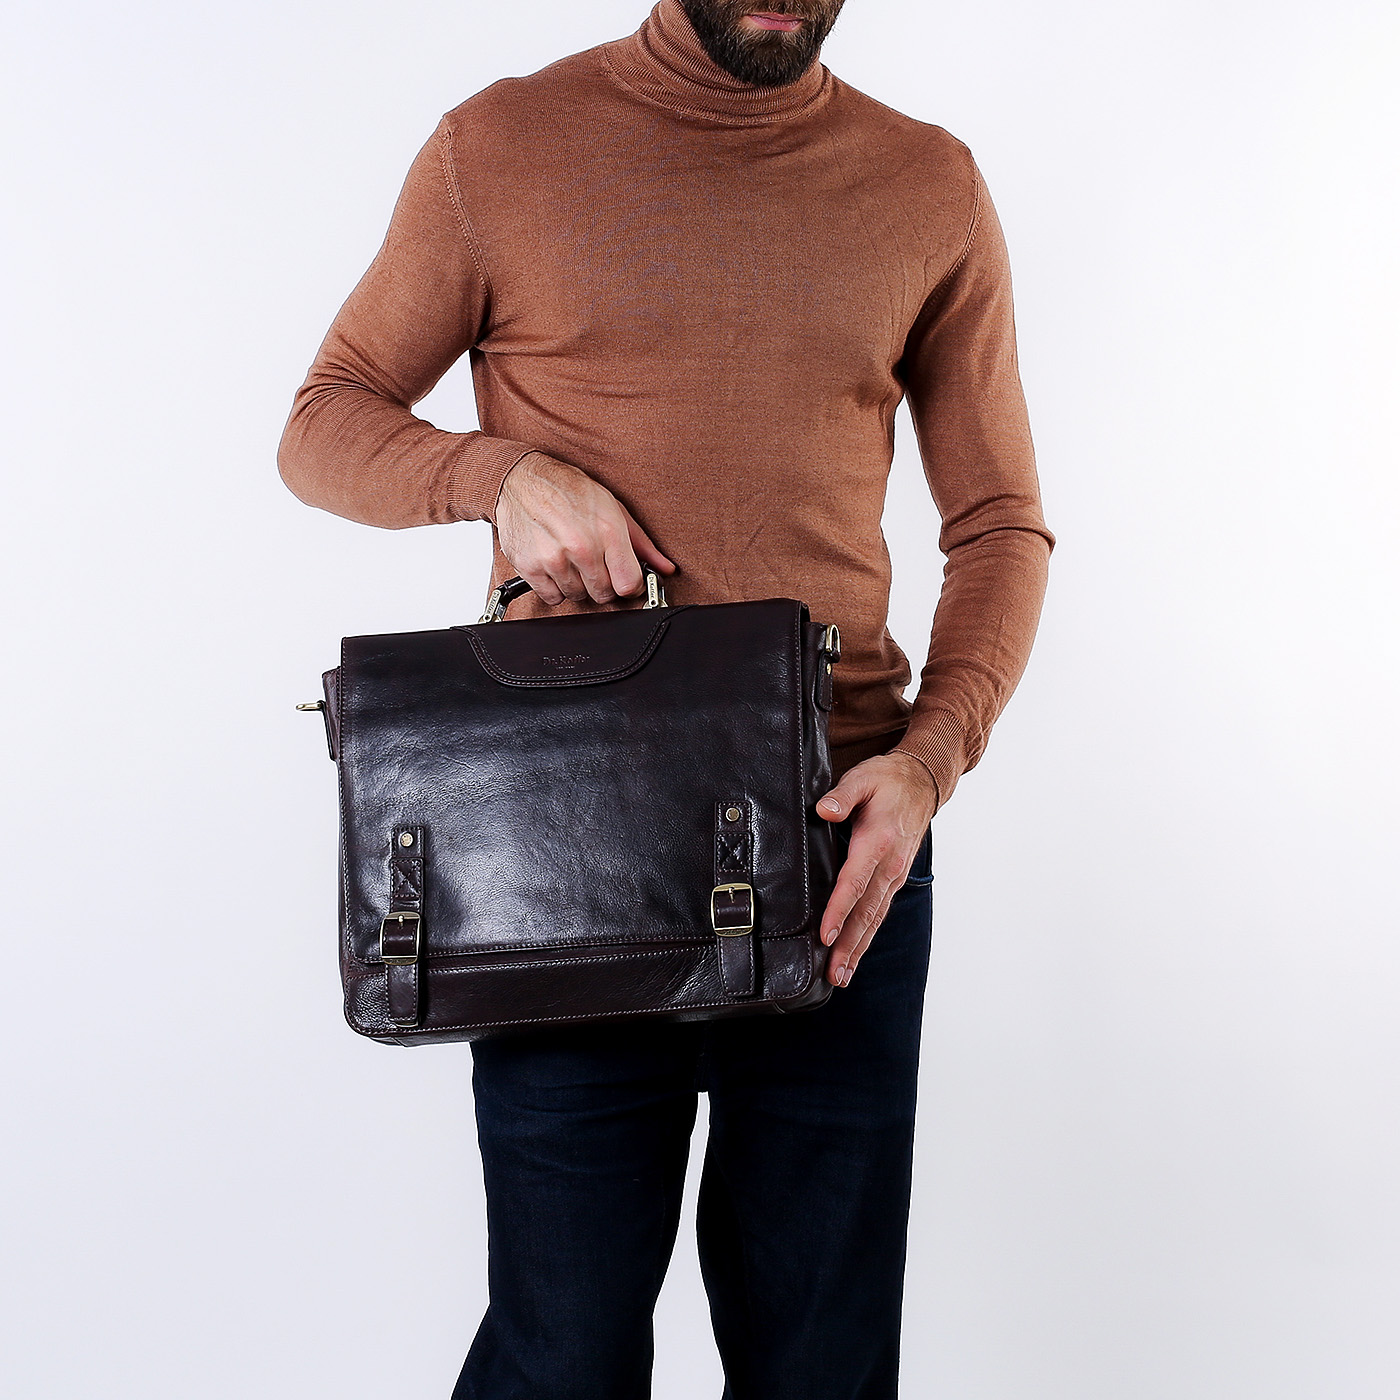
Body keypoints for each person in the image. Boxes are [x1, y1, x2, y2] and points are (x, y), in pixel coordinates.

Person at [278, 2, 1054, 1394]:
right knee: (562, 1357)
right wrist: (501, 477)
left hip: (843, 843)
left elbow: (999, 523)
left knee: (821, 1366)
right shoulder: (497, 149)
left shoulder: (928, 184)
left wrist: (932, 762)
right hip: (573, 837)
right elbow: (325, 420)